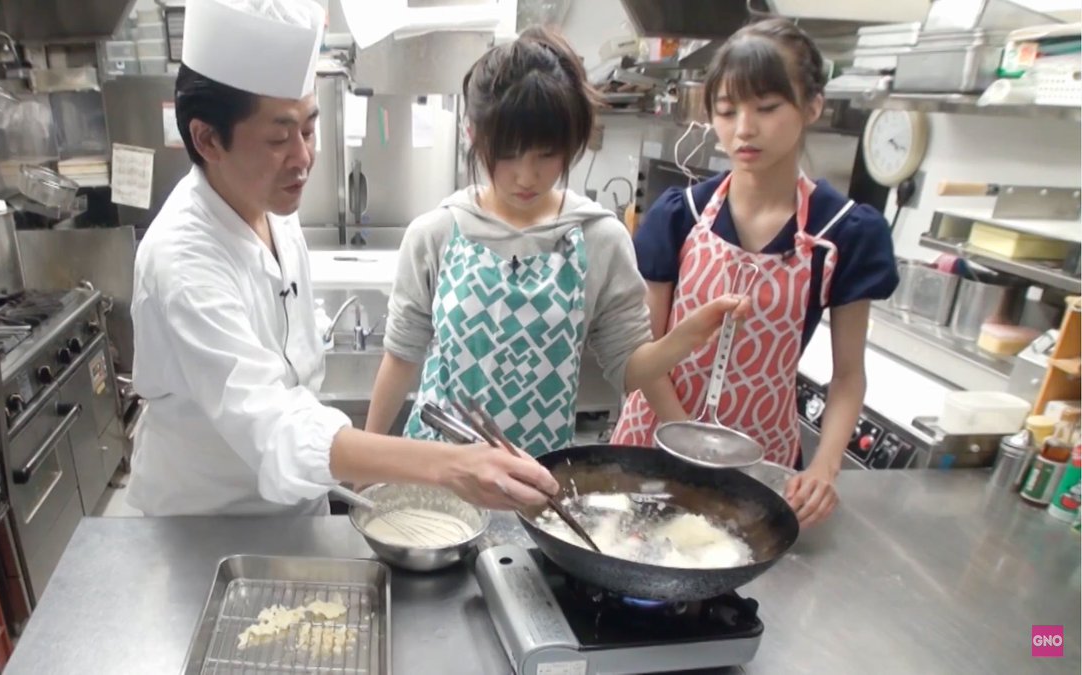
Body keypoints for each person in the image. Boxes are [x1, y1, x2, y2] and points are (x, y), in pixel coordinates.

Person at [127, 0, 559, 516]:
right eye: (278, 138)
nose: (303, 158)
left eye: (308, 130)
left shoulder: (271, 207)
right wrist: (450, 464)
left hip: (294, 510)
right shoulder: (183, 260)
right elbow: (276, 427)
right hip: (205, 523)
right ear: (207, 139)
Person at [364, 27, 744, 456]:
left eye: (546, 155)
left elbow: (628, 369)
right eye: (507, 155)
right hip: (439, 469)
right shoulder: (435, 234)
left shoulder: (599, 239)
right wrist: (368, 461)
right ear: (473, 133)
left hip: (540, 471)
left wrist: (685, 338)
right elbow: (401, 357)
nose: (526, 176)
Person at [611, 18, 899, 528]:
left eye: (766, 108)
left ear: (812, 106)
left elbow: (848, 375)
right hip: (654, 441)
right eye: (727, 111)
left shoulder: (843, 232)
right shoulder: (680, 217)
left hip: (758, 458)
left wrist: (825, 467)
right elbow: (647, 353)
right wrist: (688, 440)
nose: (744, 128)